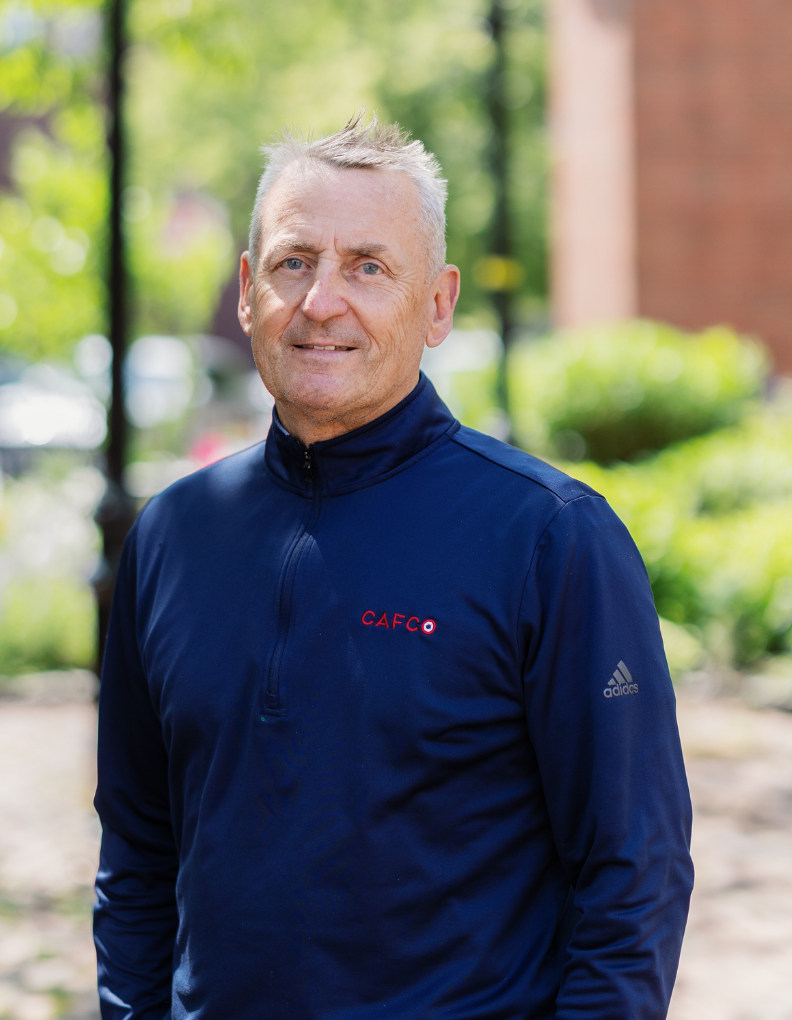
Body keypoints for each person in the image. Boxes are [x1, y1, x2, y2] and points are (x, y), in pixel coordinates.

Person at [94, 116, 694, 1020]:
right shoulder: (174, 536)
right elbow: (137, 854)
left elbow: (632, 875)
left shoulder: (551, 539)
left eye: (369, 267)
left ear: (439, 305)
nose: (322, 301)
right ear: (249, 291)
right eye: (295, 262)